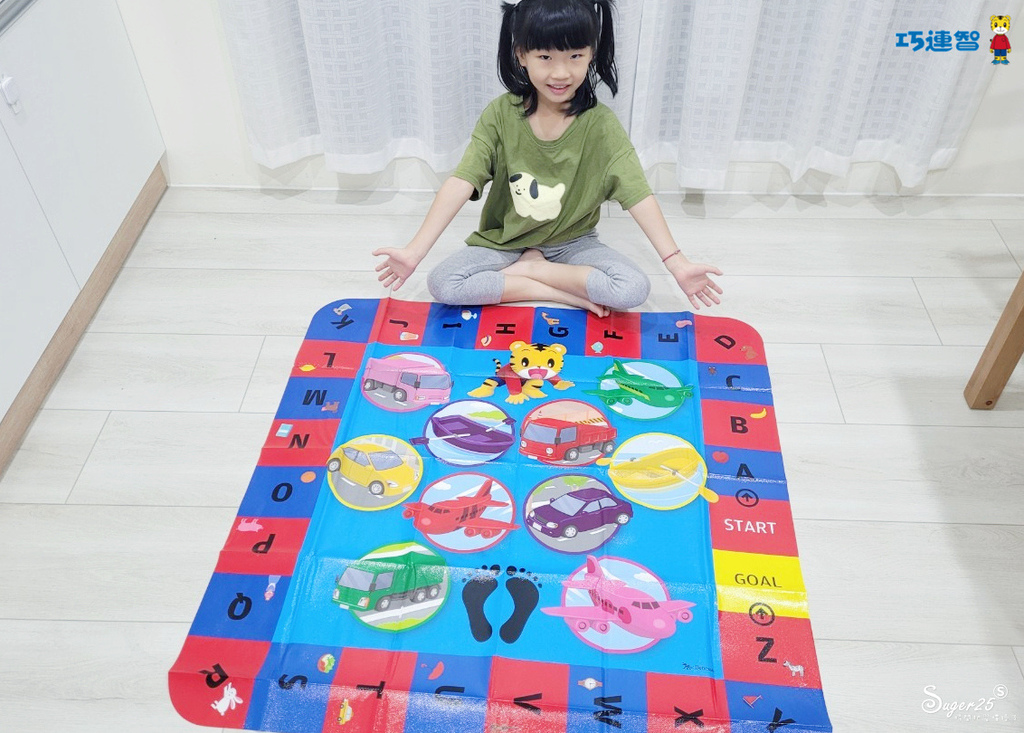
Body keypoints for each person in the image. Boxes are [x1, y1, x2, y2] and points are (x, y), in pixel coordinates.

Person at [372, 0, 722, 317]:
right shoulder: (500, 114)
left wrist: (677, 264)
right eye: (545, 57)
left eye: (575, 56)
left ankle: (536, 269)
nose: (561, 73)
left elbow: (638, 195)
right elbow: (462, 180)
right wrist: (414, 252)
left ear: (591, 53)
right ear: (521, 55)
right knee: (444, 283)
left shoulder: (601, 125)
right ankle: (551, 285)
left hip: (574, 244)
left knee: (632, 289)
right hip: (506, 242)